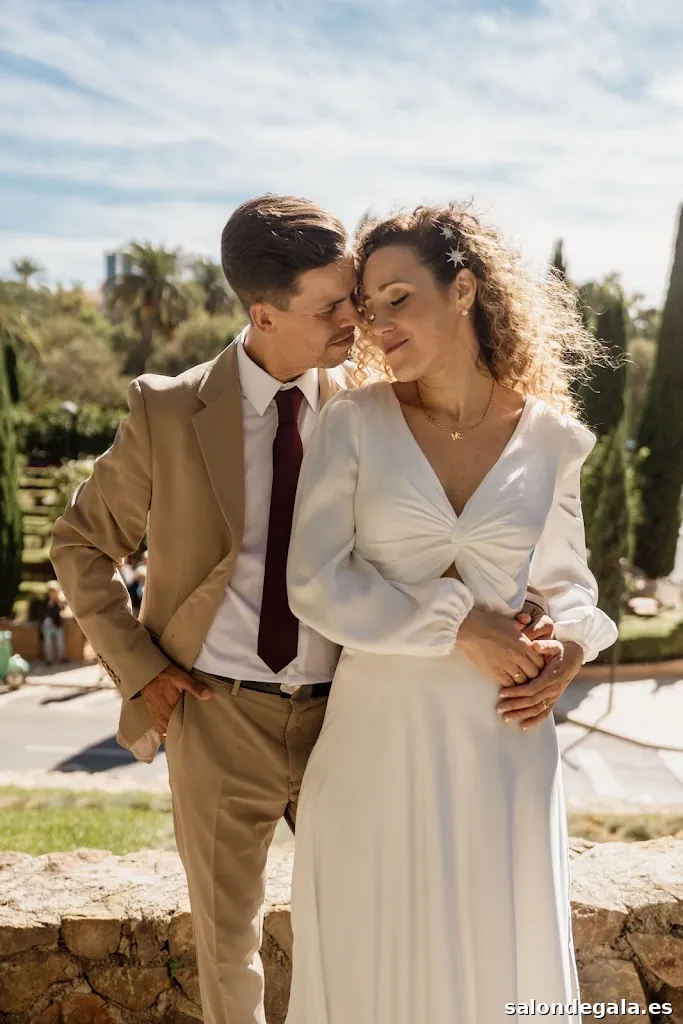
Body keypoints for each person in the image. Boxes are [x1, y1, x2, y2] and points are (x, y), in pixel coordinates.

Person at [51, 194, 551, 1024]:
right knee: (226, 948)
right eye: (330, 307)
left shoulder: (377, 405)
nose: (353, 320)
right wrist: (142, 672)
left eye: (354, 298)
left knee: (369, 925)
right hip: (218, 715)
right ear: (263, 311)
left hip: (351, 715)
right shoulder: (168, 409)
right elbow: (79, 546)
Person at [285, 204, 619, 1024]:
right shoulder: (353, 424)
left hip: (502, 744)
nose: (378, 324)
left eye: (398, 298)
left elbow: (571, 586)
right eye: (368, 308)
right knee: (373, 967)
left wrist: (569, 651)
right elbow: (314, 581)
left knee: (496, 966)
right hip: (377, 743)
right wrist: (458, 623)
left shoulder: (550, 442)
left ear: (463, 288)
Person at [41, 582, 67, 665]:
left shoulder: (59, 601)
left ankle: (62, 658)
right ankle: (48, 659)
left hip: (57, 625)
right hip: (47, 626)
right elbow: (45, 612)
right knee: (48, 642)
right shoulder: (45, 600)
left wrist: (58, 601)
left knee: (60, 642)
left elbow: (62, 610)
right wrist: (51, 602)